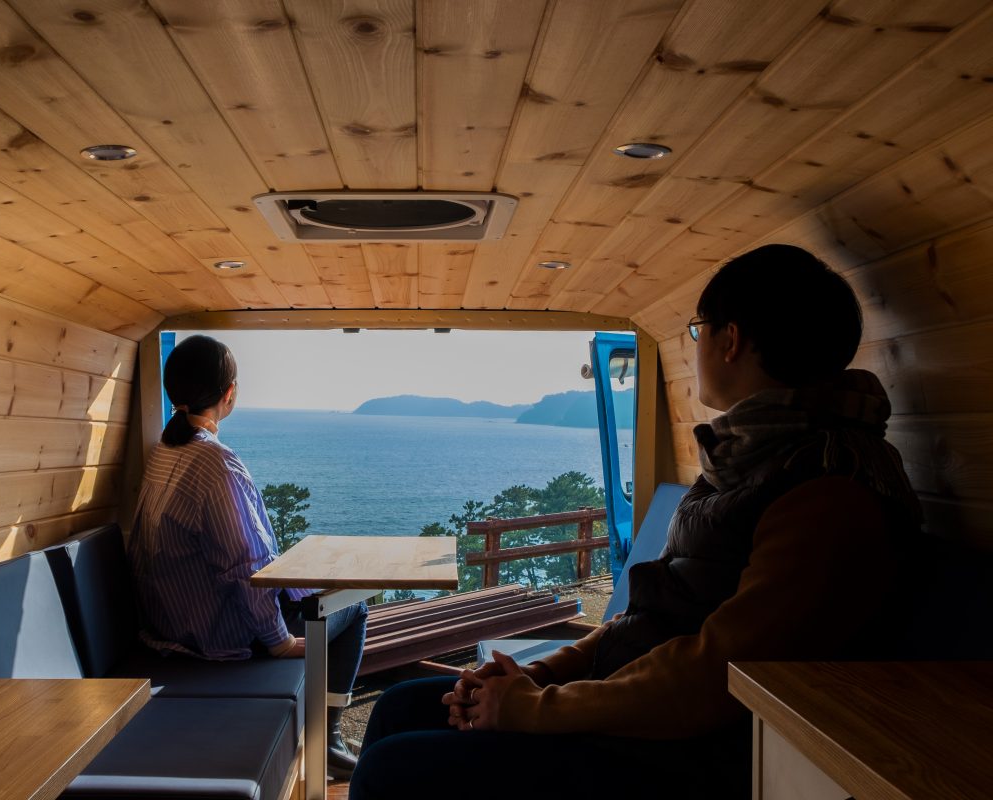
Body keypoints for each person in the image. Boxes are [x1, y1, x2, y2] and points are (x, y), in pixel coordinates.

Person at [349, 244, 921, 799]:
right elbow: (643, 619)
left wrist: (532, 708)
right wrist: (538, 676)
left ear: (731, 339)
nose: (694, 345)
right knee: (402, 708)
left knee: (390, 771)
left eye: (697, 330)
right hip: (628, 711)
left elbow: (716, 679)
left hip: (681, 755)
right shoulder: (753, 461)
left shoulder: (830, 491)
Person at [130, 334, 367, 778]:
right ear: (229, 393)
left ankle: (324, 736)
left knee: (319, 595)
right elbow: (247, 568)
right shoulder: (214, 463)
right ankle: (328, 741)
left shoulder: (164, 453)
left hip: (165, 626)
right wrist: (279, 643)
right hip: (218, 639)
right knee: (353, 603)